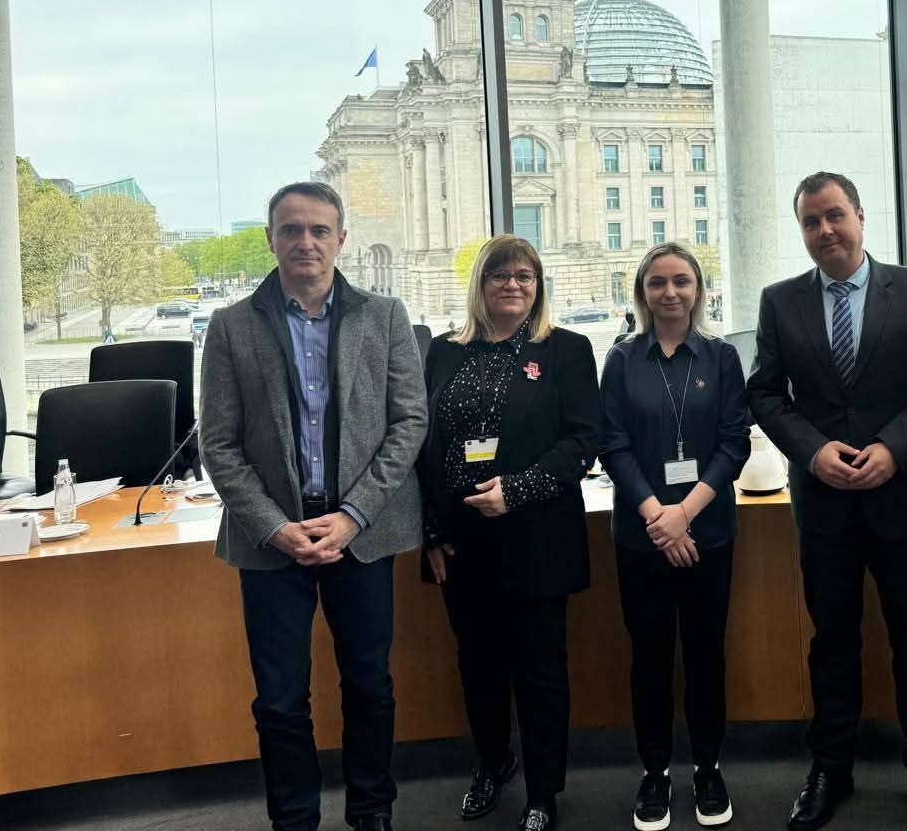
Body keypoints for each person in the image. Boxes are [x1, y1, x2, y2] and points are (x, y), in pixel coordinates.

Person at [199, 181, 428, 831]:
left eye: (319, 230)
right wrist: (274, 527)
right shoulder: (231, 326)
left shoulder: (384, 317)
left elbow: (409, 422)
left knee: (369, 685)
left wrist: (354, 514)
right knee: (278, 700)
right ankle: (294, 820)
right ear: (271, 239)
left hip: (361, 535)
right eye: (291, 230)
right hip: (273, 543)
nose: (306, 242)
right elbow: (218, 443)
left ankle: (372, 811)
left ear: (341, 240)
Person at [746, 171, 907, 831]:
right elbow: (765, 394)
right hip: (824, 504)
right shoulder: (780, 301)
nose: (825, 231)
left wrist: (894, 448)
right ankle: (830, 769)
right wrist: (812, 451)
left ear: (861, 217)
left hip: (901, 499)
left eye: (834, 215)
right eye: (811, 222)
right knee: (832, 642)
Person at [417, 235, 600, 831]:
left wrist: (515, 490)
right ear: (481, 283)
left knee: (540, 669)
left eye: (525, 275)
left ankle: (544, 792)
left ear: (538, 285)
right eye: (500, 274)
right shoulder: (444, 351)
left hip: (536, 534)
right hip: (463, 541)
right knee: (478, 663)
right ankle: (492, 762)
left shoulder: (566, 350)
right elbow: (422, 443)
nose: (513, 284)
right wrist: (431, 530)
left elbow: (582, 441)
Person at [600, 243, 751, 830]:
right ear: (642, 292)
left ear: (698, 289)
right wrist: (657, 518)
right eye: (657, 282)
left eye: (681, 281)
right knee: (650, 658)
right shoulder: (621, 359)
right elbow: (613, 445)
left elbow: (733, 444)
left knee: (707, 654)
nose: (670, 292)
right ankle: (655, 772)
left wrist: (683, 513)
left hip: (707, 532)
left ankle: (708, 768)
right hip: (642, 538)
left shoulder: (721, 357)